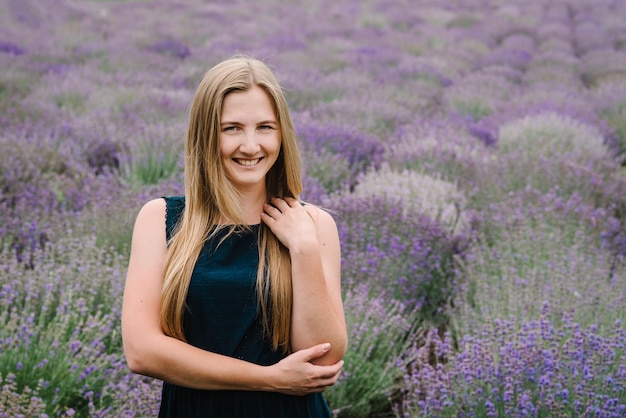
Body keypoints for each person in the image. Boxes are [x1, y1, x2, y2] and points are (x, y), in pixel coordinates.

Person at [121, 55, 348, 417]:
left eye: (265, 127)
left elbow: (323, 357)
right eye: (232, 128)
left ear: (282, 134)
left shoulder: (313, 225)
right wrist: (267, 378)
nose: (250, 145)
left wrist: (303, 250)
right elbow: (142, 351)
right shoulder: (161, 219)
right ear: (206, 134)